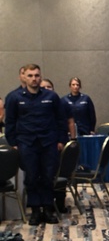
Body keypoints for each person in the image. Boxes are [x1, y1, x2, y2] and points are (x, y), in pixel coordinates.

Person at [5, 63, 71, 225]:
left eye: (36, 75)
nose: (34, 79)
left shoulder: (51, 97)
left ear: (40, 77)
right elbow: (10, 122)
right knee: (32, 177)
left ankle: (48, 209)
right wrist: (13, 143)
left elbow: (61, 120)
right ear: (24, 77)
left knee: (48, 177)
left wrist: (62, 140)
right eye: (30, 76)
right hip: (26, 143)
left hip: (49, 143)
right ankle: (35, 210)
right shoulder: (14, 97)